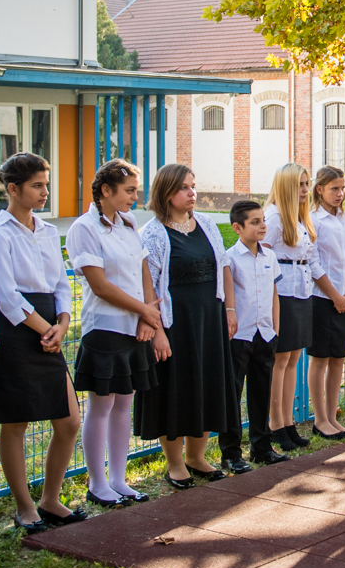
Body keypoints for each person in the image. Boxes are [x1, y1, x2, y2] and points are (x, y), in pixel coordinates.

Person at [0, 153, 87, 533]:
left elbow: (61, 281)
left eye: (46, 183)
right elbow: (7, 296)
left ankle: (50, 499)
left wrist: (61, 323)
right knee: (16, 423)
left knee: (70, 421)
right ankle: (24, 506)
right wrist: (46, 329)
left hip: (49, 326)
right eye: (37, 185)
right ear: (13, 189)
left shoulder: (47, 230)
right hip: (17, 331)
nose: (46, 191)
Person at [67, 159, 164, 508]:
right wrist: (144, 310)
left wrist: (146, 317)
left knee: (125, 402)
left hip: (134, 328)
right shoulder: (83, 228)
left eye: (136, 191)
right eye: (128, 191)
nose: (134, 199)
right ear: (106, 191)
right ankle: (97, 483)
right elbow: (100, 285)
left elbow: (143, 272)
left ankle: (119, 480)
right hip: (105, 327)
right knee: (101, 405)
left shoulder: (128, 223)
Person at [135, 164, 239, 485]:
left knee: (208, 386)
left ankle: (197, 456)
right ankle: (175, 462)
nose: (192, 193)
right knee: (176, 391)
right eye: (184, 188)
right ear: (166, 193)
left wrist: (230, 309)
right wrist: (158, 332)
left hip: (209, 320)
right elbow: (147, 288)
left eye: (193, 186)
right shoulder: (152, 234)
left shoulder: (206, 223)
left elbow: (223, 266)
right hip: (174, 324)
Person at [218, 200, 290, 470]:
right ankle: (231, 453)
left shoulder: (270, 257)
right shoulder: (229, 258)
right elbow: (228, 297)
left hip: (265, 334)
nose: (263, 226)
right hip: (240, 336)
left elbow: (274, 294)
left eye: (263, 220)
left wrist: (275, 331)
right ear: (237, 227)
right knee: (233, 395)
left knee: (261, 392)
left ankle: (262, 448)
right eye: (255, 222)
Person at [262, 163, 317, 450]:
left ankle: (288, 422)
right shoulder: (273, 217)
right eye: (300, 185)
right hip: (282, 294)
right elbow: (262, 255)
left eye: (307, 184)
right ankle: (275, 424)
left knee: (294, 358)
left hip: (301, 291)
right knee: (280, 360)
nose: (306, 190)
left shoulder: (298, 216)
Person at [307, 166, 345, 440]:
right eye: (334, 188)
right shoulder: (312, 220)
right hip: (323, 299)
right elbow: (313, 263)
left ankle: (332, 415)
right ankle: (319, 419)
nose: (340, 193)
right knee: (320, 359)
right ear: (320, 189)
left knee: (339, 358)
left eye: (343, 188)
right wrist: (335, 296)